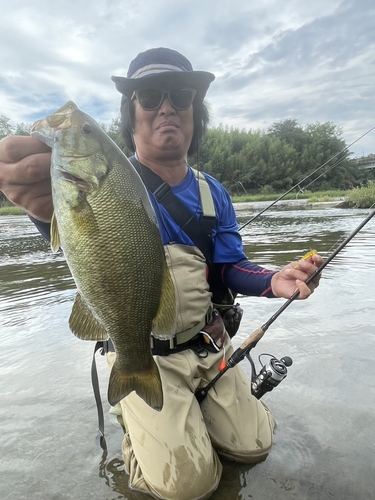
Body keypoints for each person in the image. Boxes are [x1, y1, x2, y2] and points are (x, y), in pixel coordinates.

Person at [0, 47, 323, 500]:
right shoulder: (106, 178)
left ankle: (194, 416)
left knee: (253, 450)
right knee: (186, 488)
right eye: (149, 96)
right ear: (130, 117)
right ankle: (139, 432)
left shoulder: (214, 193)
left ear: (195, 114)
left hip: (208, 342)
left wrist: (273, 280)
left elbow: (228, 267)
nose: (166, 106)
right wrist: (41, 211)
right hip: (142, 347)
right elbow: (74, 232)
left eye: (181, 96)